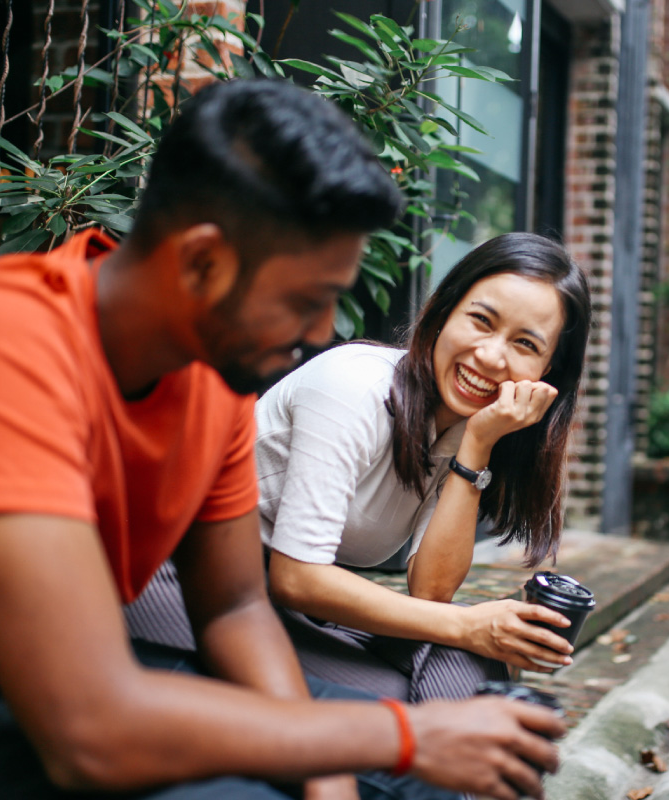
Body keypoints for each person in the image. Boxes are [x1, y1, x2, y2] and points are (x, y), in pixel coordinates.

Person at [0, 80, 563, 800]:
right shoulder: (4, 343)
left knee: (439, 779)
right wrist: (398, 737)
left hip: (51, 683)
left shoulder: (213, 379)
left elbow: (235, 609)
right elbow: (87, 730)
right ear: (202, 263)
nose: (321, 335)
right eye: (305, 302)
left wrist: (328, 776)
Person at [128, 233, 592, 703]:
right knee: (418, 698)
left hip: (275, 607)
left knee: (466, 670)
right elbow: (298, 577)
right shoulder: (352, 386)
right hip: (182, 581)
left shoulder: (472, 426)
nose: (491, 356)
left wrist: (476, 446)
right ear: (445, 310)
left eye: (525, 344)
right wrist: (471, 624)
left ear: (547, 372)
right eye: (480, 320)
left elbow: (430, 593)